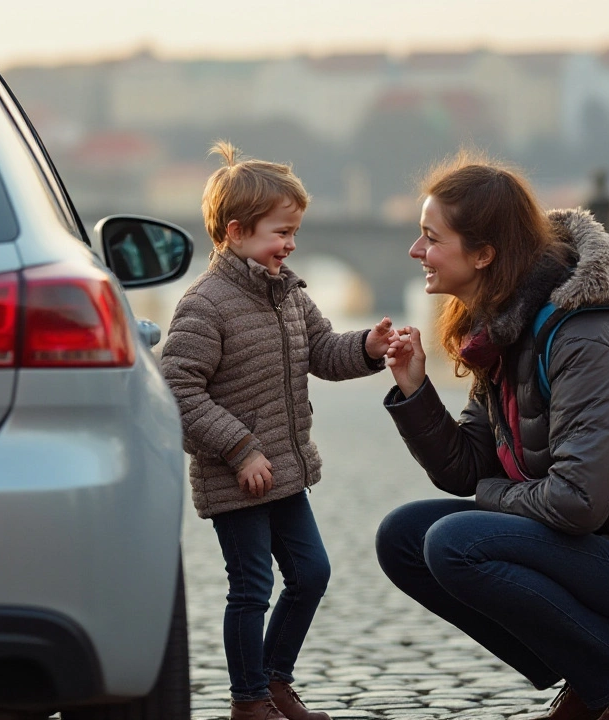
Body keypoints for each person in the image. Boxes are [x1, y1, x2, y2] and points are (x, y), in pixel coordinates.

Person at [374, 153, 609, 720]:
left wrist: (486, 499)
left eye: (430, 237)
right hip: (597, 558)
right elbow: (466, 469)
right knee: (404, 537)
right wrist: (416, 391)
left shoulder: (586, 336)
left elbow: (576, 502)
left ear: (484, 254)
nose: (416, 251)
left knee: (454, 542)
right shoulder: (506, 330)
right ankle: (596, 676)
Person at [160, 141, 393, 720]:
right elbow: (176, 391)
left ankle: (274, 681)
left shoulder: (288, 291)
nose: (290, 245)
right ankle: (249, 701)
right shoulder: (204, 306)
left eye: (294, 233)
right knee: (251, 590)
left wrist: (366, 348)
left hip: (287, 472)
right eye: (279, 233)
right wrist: (240, 450)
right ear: (236, 232)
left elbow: (324, 352)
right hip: (236, 479)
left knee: (312, 574)